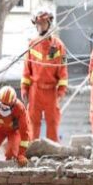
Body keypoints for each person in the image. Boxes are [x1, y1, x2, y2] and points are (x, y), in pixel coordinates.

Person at [21, 9, 68, 142]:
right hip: (35, 90)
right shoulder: (32, 44)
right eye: (38, 24)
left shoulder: (59, 46)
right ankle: (31, 151)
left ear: (49, 23)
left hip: (51, 91)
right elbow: (26, 70)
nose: (40, 26)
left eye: (42, 23)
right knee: (33, 123)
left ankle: (52, 153)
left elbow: (63, 71)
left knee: (52, 123)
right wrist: (24, 88)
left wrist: (61, 91)